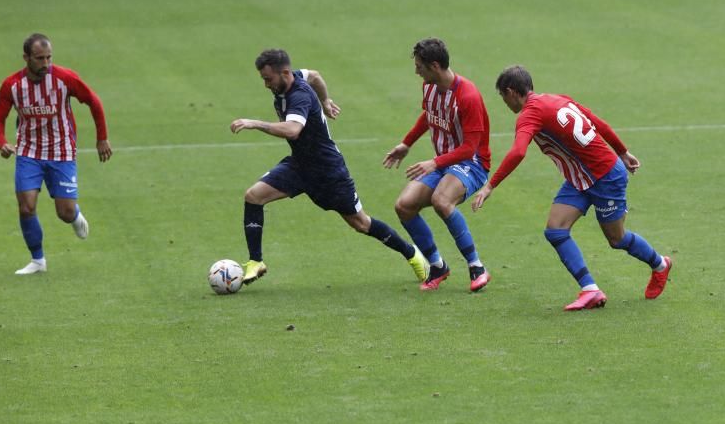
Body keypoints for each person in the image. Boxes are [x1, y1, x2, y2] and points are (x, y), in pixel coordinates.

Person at [472, 65, 671, 311]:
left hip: (605, 176)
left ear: (511, 92)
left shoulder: (529, 114)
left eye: (503, 97)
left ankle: (660, 264)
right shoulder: (558, 99)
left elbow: (518, 151)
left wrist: (490, 185)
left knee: (616, 239)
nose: (504, 102)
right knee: (555, 230)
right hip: (580, 178)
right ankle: (590, 289)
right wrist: (622, 151)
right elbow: (597, 122)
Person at [231, 49, 429, 286]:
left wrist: (254, 123)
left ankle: (412, 254)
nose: (266, 84)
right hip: (299, 166)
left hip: (328, 172)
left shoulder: (299, 97)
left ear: (283, 73)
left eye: (268, 79)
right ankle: (256, 261)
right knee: (253, 196)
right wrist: (325, 100)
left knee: (361, 223)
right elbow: (314, 75)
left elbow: (293, 130)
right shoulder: (294, 77)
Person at [0, 33, 112, 275]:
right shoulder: (12, 85)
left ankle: (74, 215)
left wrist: (102, 138)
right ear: (26, 58)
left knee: (64, 212)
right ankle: (38, 261)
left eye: (49, 58)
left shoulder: (64, 78)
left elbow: (93, 101)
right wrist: (2, 143)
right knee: (26, 207)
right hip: (29, 152)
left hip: (61, 151)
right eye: (39, 58)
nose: (46, 63)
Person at [382, 37, 491, 292]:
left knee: (442, 201)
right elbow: (429, 115)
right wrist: (406, 143)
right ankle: (437, 265)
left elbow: (470, 148)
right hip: (444, 163)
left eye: (419, 65)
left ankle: (477, 266)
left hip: (471, 164)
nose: (416, 70)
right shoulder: (429, 87)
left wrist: (435, 162)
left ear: (434, 66)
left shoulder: (468, 96)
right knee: (404, 206)